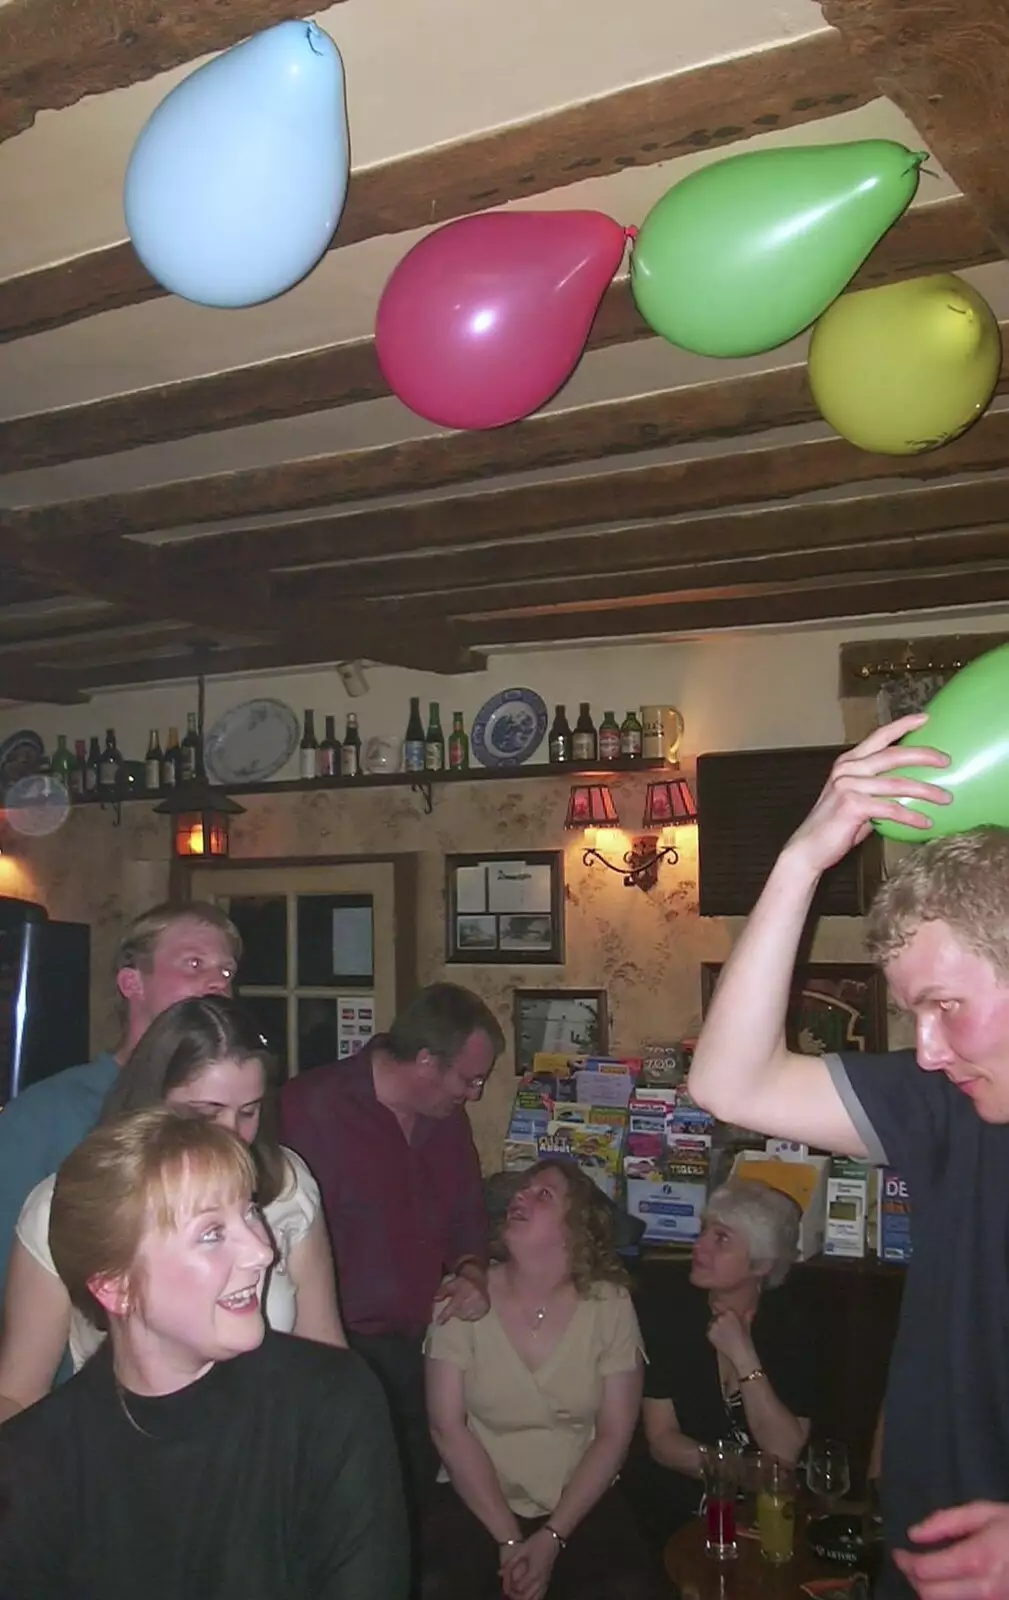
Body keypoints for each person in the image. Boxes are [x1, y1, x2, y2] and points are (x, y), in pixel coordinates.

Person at [686, 713, 1009, 1600]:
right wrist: (800, 860)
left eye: (947, 1005)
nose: (930, 1048)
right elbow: (729, 1084)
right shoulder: (950, 1110)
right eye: (916, 1017)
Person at [0, 1108, 408, 1600]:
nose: (262, 1251)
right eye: (212, 1233)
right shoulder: (32, 1463)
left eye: (250, 1211)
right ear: (115, 1287)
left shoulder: (330, 1403)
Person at [0, 995, 345, 1419]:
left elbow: (327, 1355)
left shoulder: (286, 1184)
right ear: (150, 1104)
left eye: (249, 1112)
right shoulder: (68, 1205)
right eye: (205, 1114)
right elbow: (19, 1391)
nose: (231, 1136)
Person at [279, 981, 503, 1516]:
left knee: (411, 1506)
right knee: (338, 1512)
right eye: (470, 1079)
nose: (475, 1094)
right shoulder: (307, 1107)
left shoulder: (447, 1121)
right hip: (333, 1352)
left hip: (423, 1348)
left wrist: (472, 1271)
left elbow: (467, 1217)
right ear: (425, 1061)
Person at [422, 1158, 666, 1600]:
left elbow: (613, 1437)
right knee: (439, 1586)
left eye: (543, 1195)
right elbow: (447, 1429)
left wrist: (552, 1538)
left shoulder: (609, 1303)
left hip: (578, 1502)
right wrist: (510, 1542)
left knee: (629, 1589)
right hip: (478, 1499)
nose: (520, 1196)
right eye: (522, 1189)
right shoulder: (462, 1296)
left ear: (574, 1230)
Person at [0, 900, 240, 1310]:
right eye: (194, 964)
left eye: (226, 971)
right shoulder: (45, 1115)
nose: (218, 982)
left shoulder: (235, 1110)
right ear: (132, 984)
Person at [636, 1178, 817, 1548]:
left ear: (762, 1264)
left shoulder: (794, 1326)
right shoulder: (667, 1312)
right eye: (704, 1232)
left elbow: (784, 1449)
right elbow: (662, 1442)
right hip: (677, 1504)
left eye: (721, 1239)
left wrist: (741, 1353)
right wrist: (743, 1470)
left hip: (768, 1509)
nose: (699, 1246)